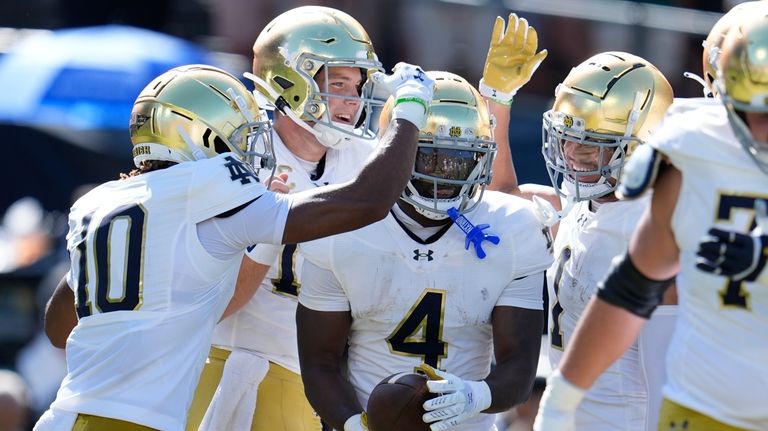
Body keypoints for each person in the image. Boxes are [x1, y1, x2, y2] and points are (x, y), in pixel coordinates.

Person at [34, 62, 435, 431]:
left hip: (63, 416)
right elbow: (366, 201)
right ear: (200, 133)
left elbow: (58, 326)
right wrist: (411, 108)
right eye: (239, 135)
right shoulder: (211, 185)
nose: (247, 150)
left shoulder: (100, 201)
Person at [533, 13, 768, 431]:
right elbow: (628, 292)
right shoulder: (692, 159)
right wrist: (562, 398)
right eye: (747, 110)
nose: (760, 131)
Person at [296, 70, 553, 431]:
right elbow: (319, 362)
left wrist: (474, 396)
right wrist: (355, 425)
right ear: (396, 152)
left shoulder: (510, 229)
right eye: (430, 157)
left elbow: (519, 370)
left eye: (459, 159)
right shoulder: (344, 227)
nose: (445, 175)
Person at [186, 7, 383, 431]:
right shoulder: (239, 158)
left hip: (316, 379)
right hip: (221, 360)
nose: (353, 100)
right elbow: (209, 307)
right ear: (290, 82)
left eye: (358, 85)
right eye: (339, 84)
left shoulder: (364, 162)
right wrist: (265, 230)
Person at [482, 14, 677, 431]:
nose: (571, 153)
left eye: (592, 147)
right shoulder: (578, 206)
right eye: (566, 137)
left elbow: (669, 378)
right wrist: (497, 97)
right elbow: (501, 203)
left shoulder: (656, 235)